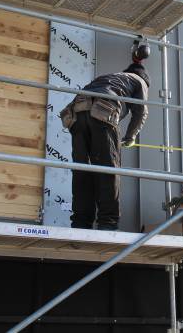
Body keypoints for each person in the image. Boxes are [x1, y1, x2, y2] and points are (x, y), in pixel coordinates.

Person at [59, 62, 150, 230]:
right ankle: (108, 223)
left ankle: (81, 222)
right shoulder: (140, 81)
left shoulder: (109, 77)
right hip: (102, 112)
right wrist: (130, 136)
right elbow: (141, 112)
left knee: (82, 170)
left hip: (76, 114)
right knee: (108, 171)